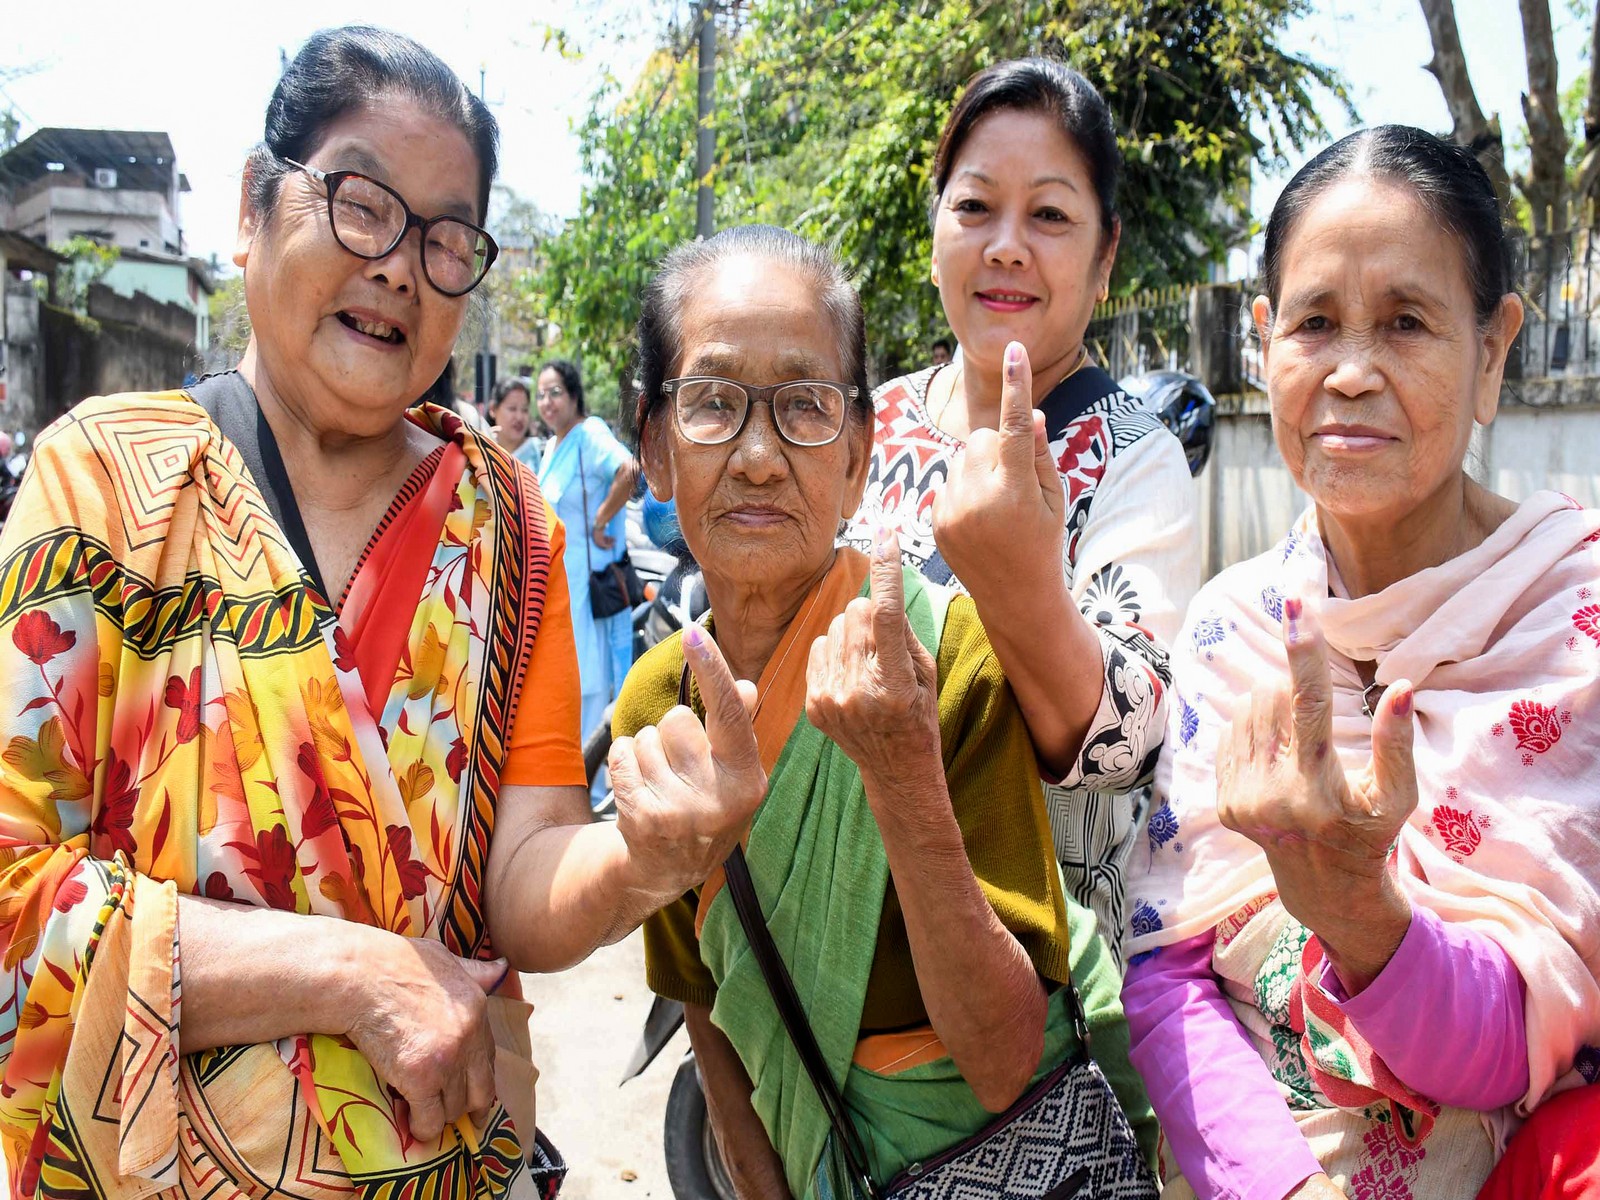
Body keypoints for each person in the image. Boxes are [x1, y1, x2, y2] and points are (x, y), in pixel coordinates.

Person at [0, 27, 764, 1198]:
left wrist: (639, 862)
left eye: (446, 238)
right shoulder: (101, 486)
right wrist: (344, 973)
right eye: (360, 204)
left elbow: (522, 882)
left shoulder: (510, 527)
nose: (401, 266)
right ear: (255, 208)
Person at [615, 224, 1156, 1200]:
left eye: (805, 408)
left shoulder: (943, 657)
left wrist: (903, 773)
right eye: (711, 405)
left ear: (861, 455)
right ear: (652, 447)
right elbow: (702, 998)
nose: (757, 458)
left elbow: (997, 1064)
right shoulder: (658, 702)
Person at [1123, 125, 1600, 1199]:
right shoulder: (1232, 625)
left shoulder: (1572, 627)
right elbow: (1164, 973)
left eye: (1406, 323)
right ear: (1262, 343)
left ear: (1493, 349)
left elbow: (1519, 1041)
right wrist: (1272, 1187)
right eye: (1314, 324)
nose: (1348, 372)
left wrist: (1360, 916)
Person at [844, 57, 1200, 961]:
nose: (1007, 245)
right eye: (974, 208)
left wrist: (1016, 584)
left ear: (1105, 255)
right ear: (934, 236)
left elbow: (1126, 744)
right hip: (842, 932)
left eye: (1049, 215)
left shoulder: (1135, 457)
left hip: (1032, 966)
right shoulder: (869, 420)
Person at [534, 359, 635, 746]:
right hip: (555, 580)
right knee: (564, 676)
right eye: (541, 395)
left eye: (556, 392)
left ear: (574, 394)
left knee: (588, 676)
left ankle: (590, 783)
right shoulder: (550, 447)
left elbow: (629, 469)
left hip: (586, 583)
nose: (547, 402)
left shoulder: (589, 433)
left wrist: (601, 518)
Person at [488, 374, 536, 455]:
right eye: (512, 409)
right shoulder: (479, 454)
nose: (519, 417)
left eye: (525, 410)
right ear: (493, 409)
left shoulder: (540, 453)